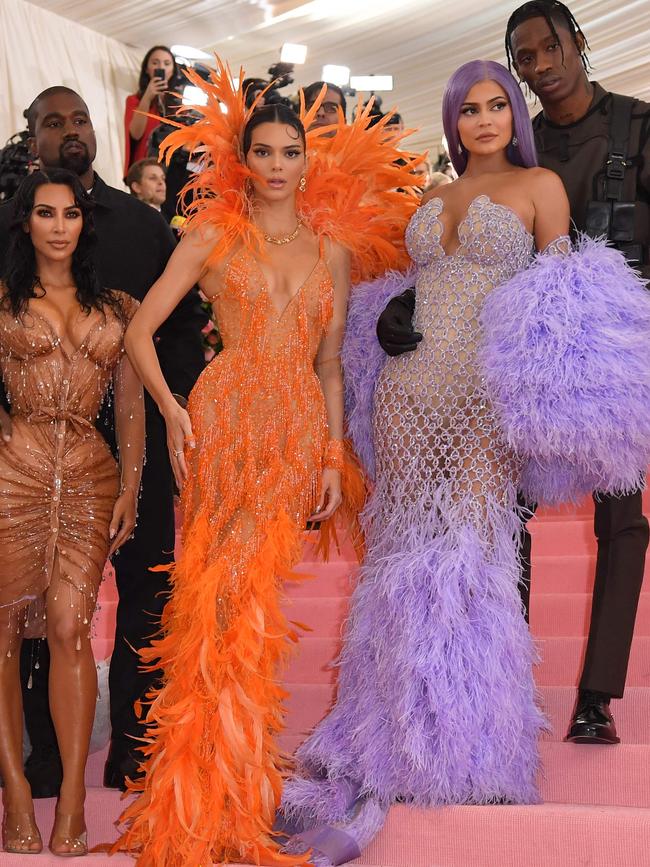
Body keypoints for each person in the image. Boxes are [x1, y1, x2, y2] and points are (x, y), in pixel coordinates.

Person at [280, 59, 650, 865]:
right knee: (403, 561)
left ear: (513, 113)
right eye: (468, 109)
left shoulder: (541, 186)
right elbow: (414, 283)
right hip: (410, 392)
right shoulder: (429, 200)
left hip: (483, 395)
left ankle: (472, 752)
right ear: (452, 121)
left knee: (472, 560)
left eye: (496, 105)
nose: (483, 120)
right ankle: (395, 743)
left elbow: (565, 304)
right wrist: (389, 315)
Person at [110, 59, 418, 866]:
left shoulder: (331, 253)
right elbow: (139, 332)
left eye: (291, 153)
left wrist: (329, 452)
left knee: (246, 615)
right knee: (210, 606)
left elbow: (328, 367)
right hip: (223, 421)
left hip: (290, 429)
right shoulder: (212, 236)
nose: (278, 166)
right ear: (242, 160)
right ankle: (198, 810)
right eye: (265, 152)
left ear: (307, 162)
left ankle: (230, 798)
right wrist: (175, 411)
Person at [0, 85, 206, 798]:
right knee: (35, 609)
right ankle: (52, 756)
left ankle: (133, 743)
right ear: (33, 139)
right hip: (32, 455)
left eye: (80, 119)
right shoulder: (8, 225)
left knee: (148, 589)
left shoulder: (144, 226)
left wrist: (164, 400)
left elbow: (181, 325)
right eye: (53, 123)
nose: (71, 132)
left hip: (136, 441)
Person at [505, 0, 650, 745]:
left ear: (578, 41)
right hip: (533, 350)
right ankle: (509, 679)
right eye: (523, 56)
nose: (539, 64)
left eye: (548, 46)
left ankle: (598, 696)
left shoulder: (638, 124)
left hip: (621, 349)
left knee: (624, 521)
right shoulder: (515, 142)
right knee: (510, 515)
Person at [0, 168, 144, 855]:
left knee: (68, 625)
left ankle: (75, 805)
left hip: (90, 473)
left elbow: (133, 403)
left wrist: (130, 488)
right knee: (2, 634)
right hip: (12, 471)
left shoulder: (116, 306)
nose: (59, 226)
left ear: (85, 223)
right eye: (46, 213)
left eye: (71, 214)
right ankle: (21, 799)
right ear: (26, 222)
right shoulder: (1, 300)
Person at [123, 46, 181, 176]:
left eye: (167, 63)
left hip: (171, 170)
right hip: (145, 170)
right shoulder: (134, 100)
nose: (161, 67)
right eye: (155, 63)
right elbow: (135, 134)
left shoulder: (178, 104)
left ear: (172, 70)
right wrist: (147, 97)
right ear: (147, 69)